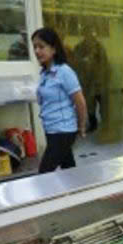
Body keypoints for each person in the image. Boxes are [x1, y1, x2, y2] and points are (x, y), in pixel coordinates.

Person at [31, 28, 88, 173]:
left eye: (41, 47)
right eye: (35, 47)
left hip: (63, 131)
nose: (37, 51)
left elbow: (80, 102)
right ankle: (75, 192)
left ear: (54, 49)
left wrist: (81, 126)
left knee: (44, 173)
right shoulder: (45, 73)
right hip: (51, 129)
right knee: (68, 169)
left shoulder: (64, 72)